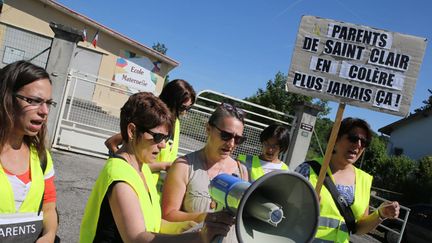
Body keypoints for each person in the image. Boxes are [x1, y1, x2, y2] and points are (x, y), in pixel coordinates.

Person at [80, 92, 233, 243]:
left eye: (166, 138)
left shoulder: (142, 167)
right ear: (132, 131)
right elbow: (137, 238)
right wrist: (199, 238)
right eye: (158, 137)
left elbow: (152, 223)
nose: (163, 145)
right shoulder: (120, 177)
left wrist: (185, 227)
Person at [295, 117, 400, 243]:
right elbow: (284, 210)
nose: (358, 145)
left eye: (364, 141)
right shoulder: (307, 170)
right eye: (353, 138)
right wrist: (304, 207)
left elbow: (358, 229)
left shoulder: (364, 179)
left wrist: (381, 214)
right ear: (335, 138)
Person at [162, 102, 249, 243]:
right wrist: (203, 217)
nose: (231, 144)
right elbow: (167, 215)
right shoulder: (184, 166)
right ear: (208, 129)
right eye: (226, 135)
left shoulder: (242, 171)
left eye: (238, 139)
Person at [0, 61, 59, 242]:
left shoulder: (41, 157)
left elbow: (49, 207)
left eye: (48, 103)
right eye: (34, 101)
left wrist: (49, 235)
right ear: (7, 97)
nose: (44, 111)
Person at [105, 79, 196, 173]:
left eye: (188, 108)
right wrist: (125, 163)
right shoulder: (151, 118)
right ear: (172, 100)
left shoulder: (176, 123)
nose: (184, 113)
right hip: (134, 181)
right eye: (182, 107)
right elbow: (111, 142)